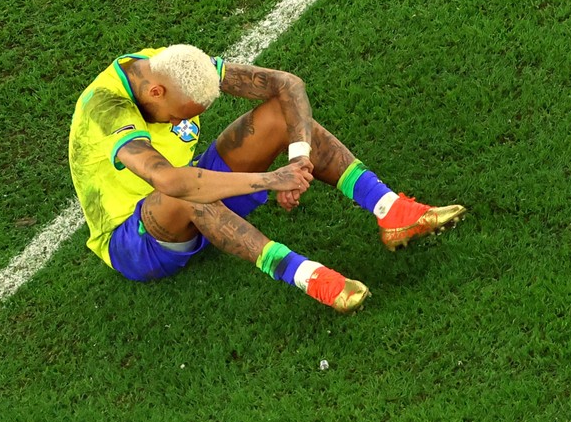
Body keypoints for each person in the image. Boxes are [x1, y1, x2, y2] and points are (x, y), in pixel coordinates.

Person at [67, 45, 465, 313]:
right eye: (179, 115)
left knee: (279, 114)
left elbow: (287, 84)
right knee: (187, 191)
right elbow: (173, 182)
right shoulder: (108, 110)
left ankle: (391, 211)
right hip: (137, 239)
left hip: (192, 191)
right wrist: (271, 180)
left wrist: (299, 162)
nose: (185, 123)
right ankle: (307, 276)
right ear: (155, 91)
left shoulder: (175, 65)